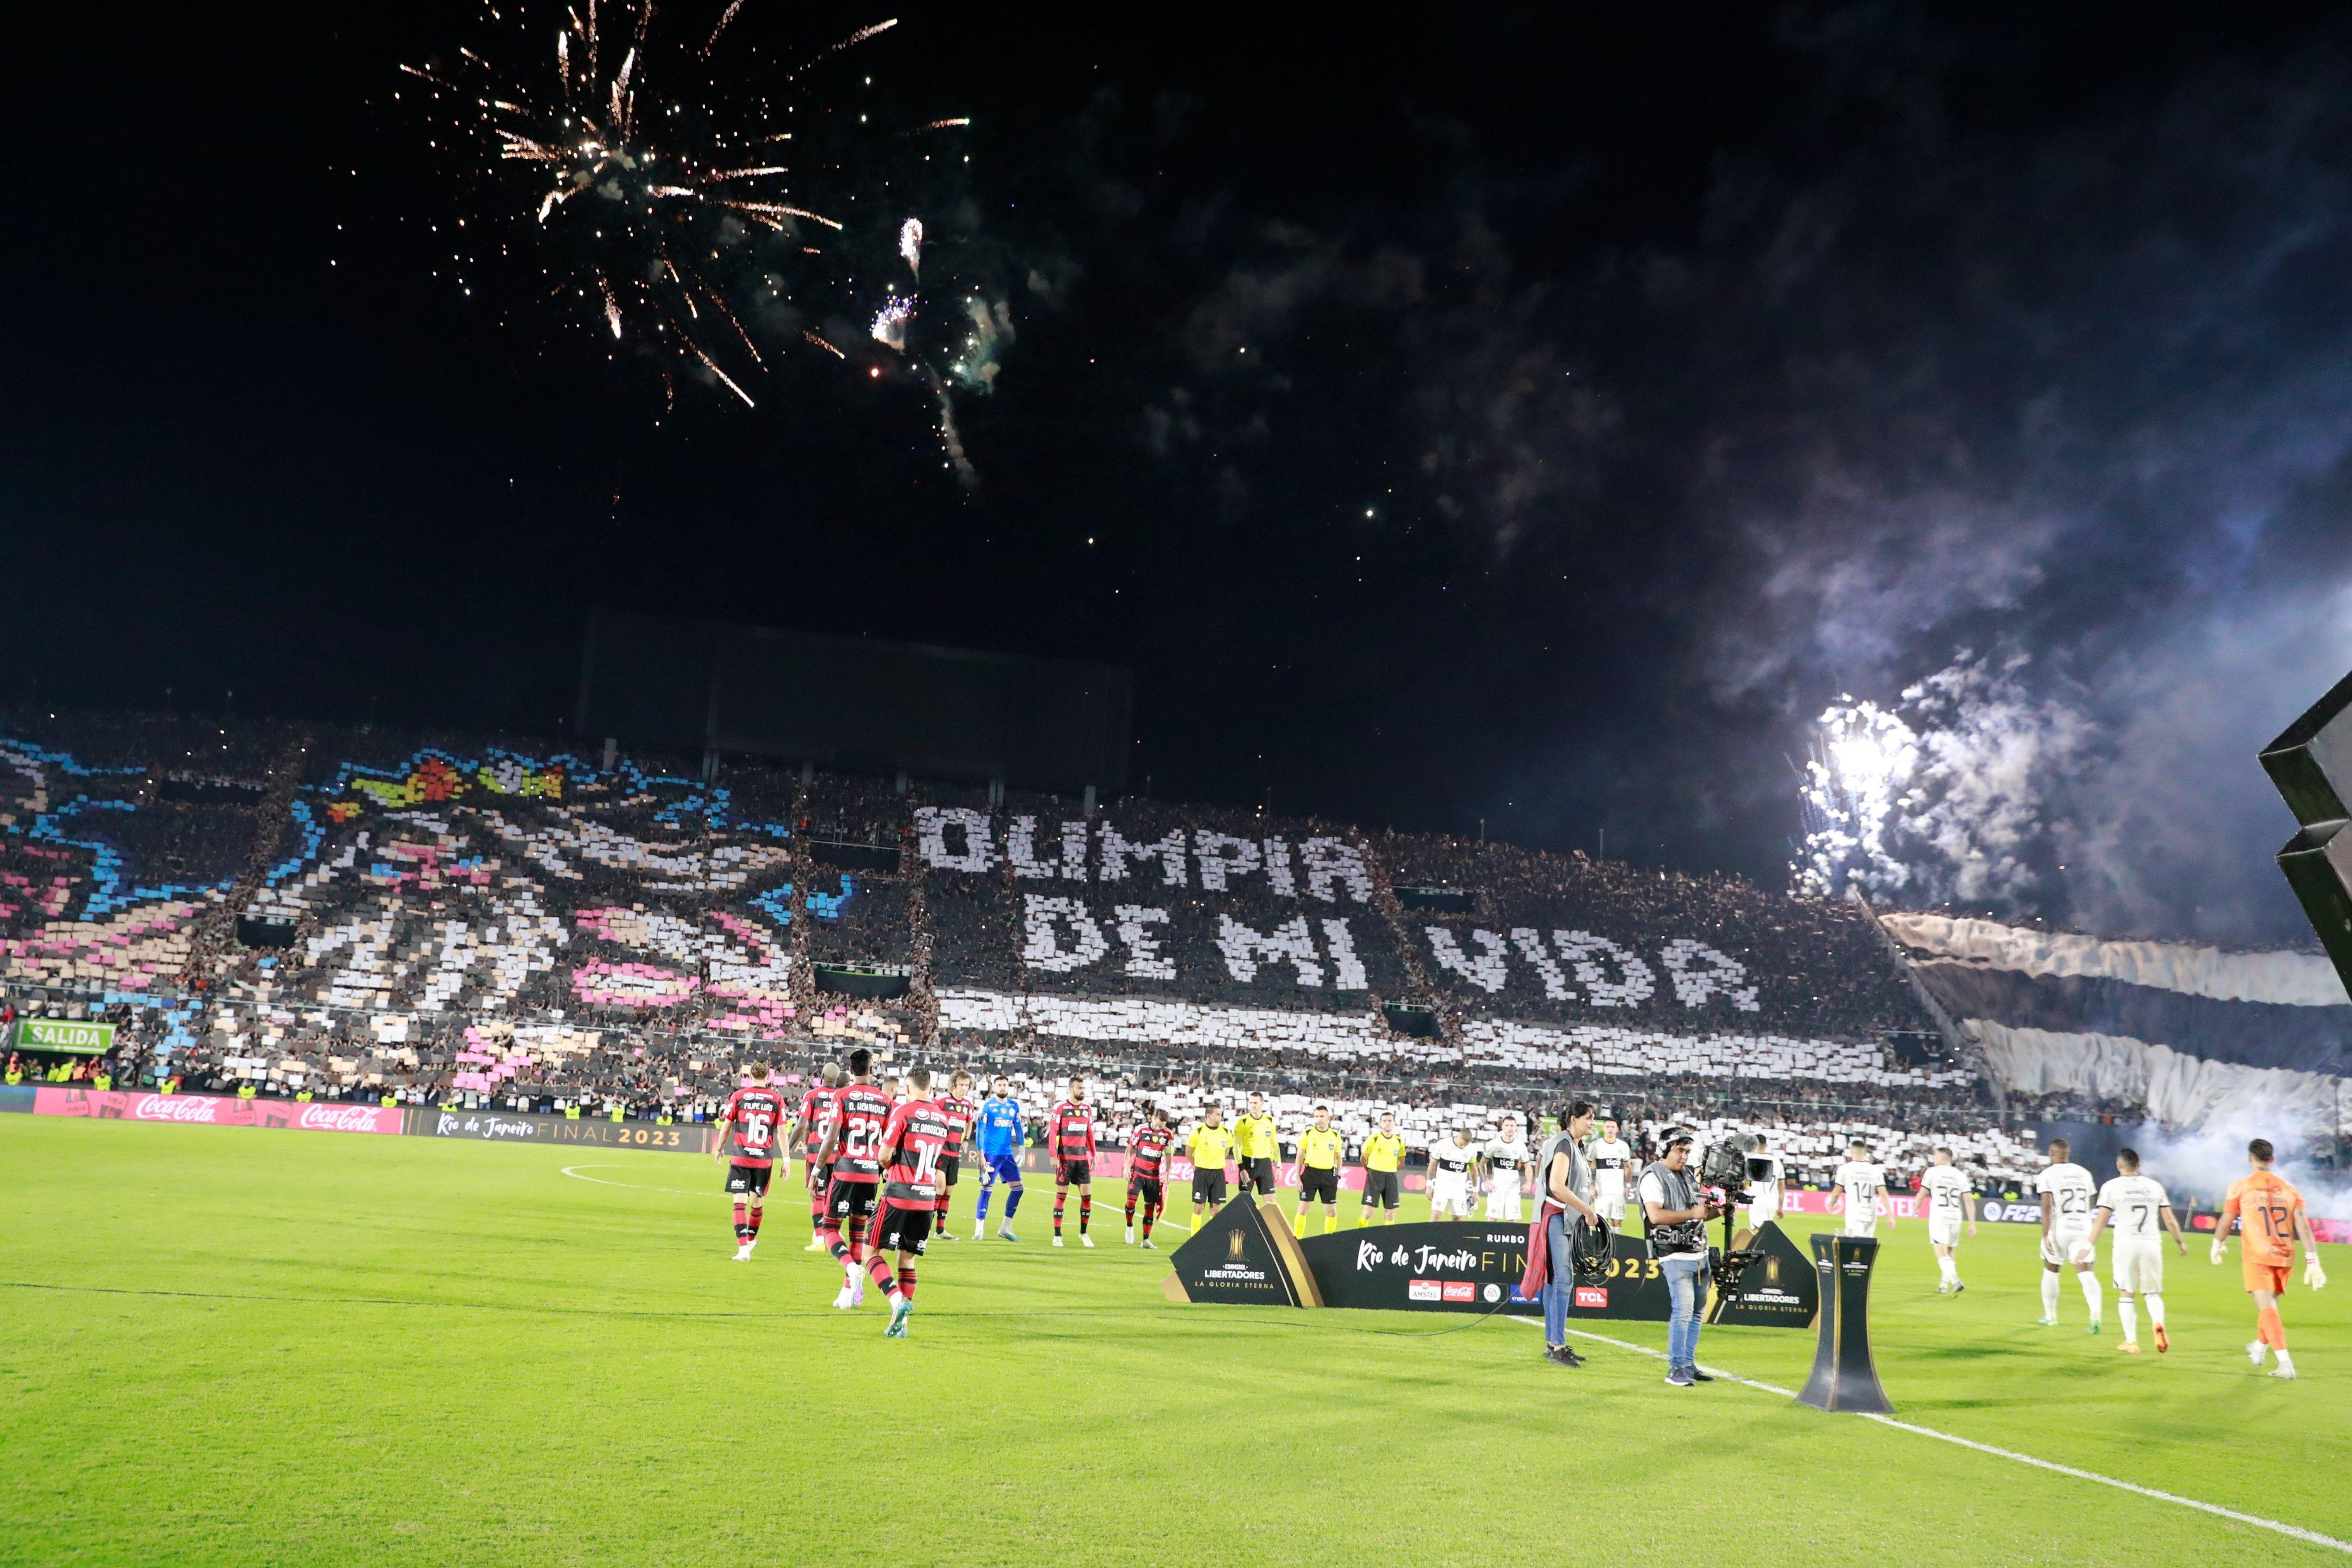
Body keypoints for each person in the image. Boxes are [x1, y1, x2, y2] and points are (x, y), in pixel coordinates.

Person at [2210, 1139, 2325, 1378]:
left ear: (2250, 1158)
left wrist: (2217, 1243)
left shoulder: (2241, 1186)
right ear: (2271, 1160)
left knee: (2267, 1309)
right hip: (2285, 1255)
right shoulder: (2291, 1189)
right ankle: (2259, 1349)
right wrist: (2313, 1261)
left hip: (2258, 1255)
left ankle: (2285, 1364)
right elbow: (2302, 1225)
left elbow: (2227, 1219)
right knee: (2270, 1308)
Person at [864, 1067, 956, 1339]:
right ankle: (903, 1325)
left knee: (871, 1255)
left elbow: (884, 1156)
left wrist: (890, 1166)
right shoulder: (942, 1119)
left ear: (907, 1087)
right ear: (930, 1087)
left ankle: (896, 1300)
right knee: (907, 1261)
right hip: (926, 1200)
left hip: (898, 1195)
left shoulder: (903, 1112)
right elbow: (941, 1173)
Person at [813, 1048, 895, 1310]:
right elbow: (890, 1144)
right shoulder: (885, 1101)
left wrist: (817, 1169)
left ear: (850, 1069)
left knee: (829, 1229)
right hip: (870, 1175)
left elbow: (831, 1136)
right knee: (858, 1232)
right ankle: (848, 1293)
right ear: (871, 1069)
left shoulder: (841, 1095)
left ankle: (851, 1268)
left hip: (845, 1171)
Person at [1642, 1129, 1723, 1388]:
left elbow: (1698, 1214)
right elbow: (1655, 1216)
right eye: (1679, 1150)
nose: (1684, 1156)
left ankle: (1688, 1364)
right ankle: (1676, 1368)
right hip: (1674, 1252)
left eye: (1687, 1151)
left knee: (1697, 1313)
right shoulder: (1651, 1175)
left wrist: (1720, 1211)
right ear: (1665, 1149)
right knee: (1684, 1312)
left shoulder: (1688, 1175)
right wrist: (1692, 1213)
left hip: (1699, 1251)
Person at [2090, 1148, 2185, 1355]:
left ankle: (2131, 1342)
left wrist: (2089, 1244)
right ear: (2139, 1165)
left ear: (2119, 1165)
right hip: (2151, 1244)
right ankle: (2158, 1322)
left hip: (2126, 1245)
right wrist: (2180, 1243)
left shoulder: (2111, 1187)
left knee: (2127, 1293)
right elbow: (2169, 1219)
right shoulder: (2154, 1187)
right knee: (2151, 1292)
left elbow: (2102, 1219)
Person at [1530, 1101, 1602, 1368]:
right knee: (1563, 1280)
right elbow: (1557, 1186)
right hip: (1557, 1218)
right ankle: (1558, 1347)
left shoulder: (1571, 1144)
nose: (1592, 1123)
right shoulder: (1564, 1144)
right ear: (1573, 1119)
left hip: (1559, 1219)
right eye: (1589, 1118)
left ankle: (1553, 1343)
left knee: (1554, 1281)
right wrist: (1587, 1210)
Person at [712, 1062, 791, 1260]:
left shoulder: (739, 1096)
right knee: (757, 1203)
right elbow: (782, 1132)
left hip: (741, 1156)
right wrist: (787, 1159)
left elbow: (727, 1126)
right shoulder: (777, 1099)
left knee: (740, 1204)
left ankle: (744, 1247)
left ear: (749, 1075)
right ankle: (749, 1242)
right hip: (763, 1160)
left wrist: (720, 1148)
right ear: (768, 1077)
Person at [2034, 1138, 2101, 1332]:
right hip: (2082, 1226)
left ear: (2051, 1152)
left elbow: (2046, 1208)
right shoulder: (2084, 1173)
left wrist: (2046, 1235)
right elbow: (2090, 1202)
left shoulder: (2047, 1174)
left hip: (2060, 1227)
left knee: (2051, 1269)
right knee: (2086, 1272)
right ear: (2068, 1153)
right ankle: (2095, 1316)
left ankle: (2051, 1317)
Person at [794, 1064, 844, 1253]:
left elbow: (802, 1126)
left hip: (817, 1153)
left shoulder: (812, 1096)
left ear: (822, 1076)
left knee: (817, 1194)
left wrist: (789, 1148)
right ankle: (834, 1233)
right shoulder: (843, 1096)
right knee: (833, 1195)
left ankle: (819, 1238)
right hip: (838, 1155)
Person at [971, 1074, 1026, 1242]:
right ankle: (979, 1229)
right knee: (987, 1189)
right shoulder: (987, 1107)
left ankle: (1005, 1228)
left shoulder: (1014, 1106)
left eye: (1005, 1085)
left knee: (1018, 1189)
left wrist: (1022, 1150)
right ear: (994, 1087)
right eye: (999, 1085)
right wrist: (981, 1155)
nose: (1002, 1087)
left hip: (1007, 1154)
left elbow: (1019, 1128)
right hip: (990, 1154)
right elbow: (980, 1131)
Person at [1047, 1077, 1099, 1248]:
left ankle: (1083, 1233)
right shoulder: (1060, 1108)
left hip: (1082, 1160)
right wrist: (1053, 1155)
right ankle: (1057, 1235)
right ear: (1071, 1090)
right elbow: (1053, 1132)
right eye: (1079, 1088)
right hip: (1065, 1159)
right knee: (1061, 1196)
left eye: (1083, 1088)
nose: (1082, 1091)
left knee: (1087, 1197)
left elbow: (1090, 1133)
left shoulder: (1087, 1109)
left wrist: (1094, 1153)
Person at [1918, 1148, 1976, 1295]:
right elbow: (1968, 1200)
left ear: (1943, 1158)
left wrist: (1915, 1208)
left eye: (1936, 1156)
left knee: (1940, 1251)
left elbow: (1923, 1193)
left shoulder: (1932, 1172)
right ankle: (1943, 1286)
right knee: (1950, 1250)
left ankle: (1955, 1280)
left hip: (1940, 1215)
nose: (1934, 1159)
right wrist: (1972, 1223)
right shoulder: (1960, 1175)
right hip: (1956, 1215)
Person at [931, 1070, 976, 1244]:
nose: (964, 1088)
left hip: (955, 1153)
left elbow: (969, 1121)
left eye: (967, 1085)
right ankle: (925, 1225)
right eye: (961, 1085)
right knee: (939, 1188)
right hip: (941, 1151)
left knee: (948, 1192)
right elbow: (931, 1115)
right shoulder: (942, 1101)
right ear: (954, 1085)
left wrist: (966, 1139)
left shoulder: (967, 1105)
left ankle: (940, 1230)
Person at [1125, 1106, 1175, 1247]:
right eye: (1158, 1124)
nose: (1159, 1128)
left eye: (1162, 1126)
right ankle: (1129, 1226)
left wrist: (1167, 1174)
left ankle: (1146, 1240)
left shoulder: (1167, 1134)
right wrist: (1126, 1167)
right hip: (1138, 1172)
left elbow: (1168, 1154)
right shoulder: (1141, 1129)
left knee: (1150, 1207)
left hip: (1153, 1176)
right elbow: (1130, 1148)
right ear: (1152, 1118)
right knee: (1131, 1202)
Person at [1294, 1104, 1344, 1236]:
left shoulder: (1335, 1135)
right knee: (1303, 1209)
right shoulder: (1307, 1134)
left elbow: (1339, 1158)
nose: (1319, 1119)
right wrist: (1298, 1178)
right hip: (1310, 1174)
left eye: (1322, 1116)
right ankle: (1297, 1239)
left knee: (1331, 1212)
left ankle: (1329, 1240)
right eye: (1317, 1116)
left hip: (1328, 1176)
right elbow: (1299, 1157)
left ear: (1328, 1118)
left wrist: (1337, 1175)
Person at [1831, 1140, 1892, 1239]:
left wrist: (1831, 1204)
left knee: (1856, 1246)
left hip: (1854, 1213)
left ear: (1851, 1152)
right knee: (1868, 1247)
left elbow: (1836, 1193)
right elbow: (1883, 1194)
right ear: (1865, 1153)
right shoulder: (1876, 1170)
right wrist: (1890, 1215)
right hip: (1870, 1214)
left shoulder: (1845, 1169)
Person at [1186, 1105, 1233, 1221]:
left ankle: (1212, 1238)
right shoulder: (1198, 1131)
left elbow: (1226, 1151)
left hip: (1218, 1174)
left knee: (1215, 1209)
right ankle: (1195, 1237)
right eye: (1217, 1114)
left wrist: (1217, 1163)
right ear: (1209, 1116)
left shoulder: (1226, 1132)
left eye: (1221, 1114)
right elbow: (1188, 1153)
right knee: (1199, 1207)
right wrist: (1199, 1165)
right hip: (1202, 1173)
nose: (1220, 1117)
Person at [1232, 1093, 1280, 1204]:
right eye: (1251, 1103)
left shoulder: (1270, 1120)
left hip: (1265, 1164)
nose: (1253, 1106)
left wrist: (1279, 1166)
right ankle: (1250, 1221)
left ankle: (1267, 1222)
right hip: (1249, 1163)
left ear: (1262, 1104)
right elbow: (1236, 1147)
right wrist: (1241, 1168)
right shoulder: (1242, 1121)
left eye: (1256, 1103)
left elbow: (1274, 1144)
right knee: (1245, 1201)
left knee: (1271, 1202)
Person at [1358, 1112, 1405, 1226]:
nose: (1387, 1123)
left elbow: (1401, 1162)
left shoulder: (1398, 1141)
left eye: (1390, 1121)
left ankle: (1388, 1240)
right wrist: (1371, 1171)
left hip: (1391, 1176)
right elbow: (1363, 1158)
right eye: (1384, 1121)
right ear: (1380, 1124)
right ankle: (1359, 1236)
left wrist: (1391, 1170)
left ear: (1394, 1123)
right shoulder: (1374, 1138)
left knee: (1390, 1213)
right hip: (1375, 1175)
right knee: (1368, 1212)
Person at [1484, 1114, 1531, 1223]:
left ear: (1516, 1127)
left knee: (1512, 1220)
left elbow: (1528, 1165)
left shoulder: (1520, 1146)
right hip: (1496, 1187)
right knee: (1492, 1218)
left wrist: (1529, 1182)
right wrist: (1486, 1180)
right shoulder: (1494, 1144)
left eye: (1512, 1126)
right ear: (1502, 1127)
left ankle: (1510, 1240)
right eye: (1507, 1125)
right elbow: (1482, 1163)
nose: (1510, 1128)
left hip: (1513, 1189)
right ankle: (1488, 1240)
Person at [1587, 1117, 1634, 1226]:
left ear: (1617, 1129)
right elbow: (1586, 1166)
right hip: (1601, 1193)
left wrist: (1627, 1185)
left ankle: (1616, 1243)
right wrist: (1591, 1186)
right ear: (1603, 1128)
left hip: (1618, 1192)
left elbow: (1628, 1167)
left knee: (1617, 1223)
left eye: (1613, 1127)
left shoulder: (1623, 1146)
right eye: (1608, 1127)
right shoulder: (1595, 1146)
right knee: (1602, 1223)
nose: (1610, 1130)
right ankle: (1604, 1244)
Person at [1429, 1127, 1480, 1221]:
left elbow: (1474, 1171)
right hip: (1442, 1187)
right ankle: (1431, 1236)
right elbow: (1432, 1165)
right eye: (1461, 1144)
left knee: (1458, 1219)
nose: (1462, 1147)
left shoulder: (1472, 1149)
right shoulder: (1443, 1144)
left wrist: (1475, 1191)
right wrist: (1429, 1186)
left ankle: (1456, 1236)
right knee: (1436, 1216)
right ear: (1458, 1136)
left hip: (1459, 1189)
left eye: (1465, 1145)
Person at [1743, 1133, 1784, 1233]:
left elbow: (1744, 1184)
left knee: (1759, 1232)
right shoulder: (1777, 1162)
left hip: (1757, 1200)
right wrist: (1780, 1208)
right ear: (1766, 1145)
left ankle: (1764, 1249)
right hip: (1772, 1202)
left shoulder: (1750, 1161)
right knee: (1767, 1232)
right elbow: (1782, 1188)